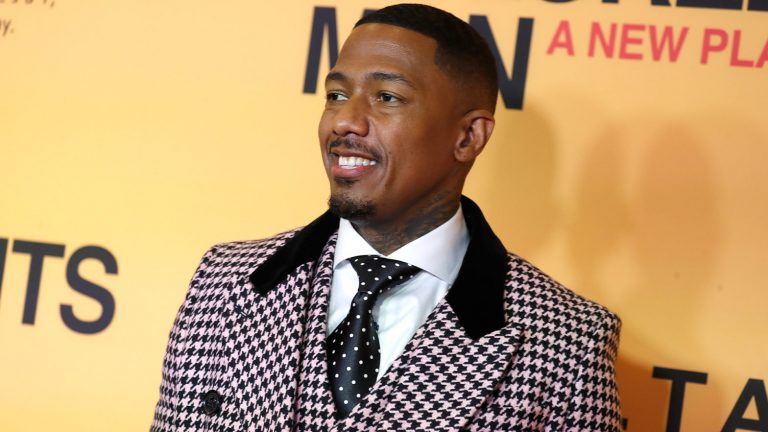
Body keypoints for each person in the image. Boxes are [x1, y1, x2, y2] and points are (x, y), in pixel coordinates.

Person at [151, 4, 621, 431]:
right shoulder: (222, 283)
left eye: (387, 97)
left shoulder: (567, 343)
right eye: (337, 94)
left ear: (468, 137)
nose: (344, 121)